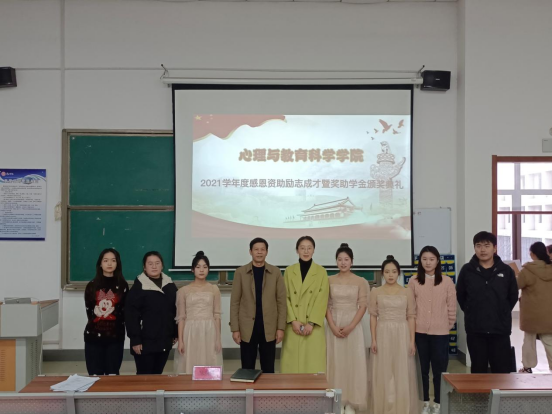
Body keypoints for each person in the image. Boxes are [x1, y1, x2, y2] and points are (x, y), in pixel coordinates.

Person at [456, 231, 518, 373]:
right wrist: (471, 310)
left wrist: (502, 311)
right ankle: (480, 390)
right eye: (478, 246)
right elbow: (461, 295)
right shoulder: (467, 270)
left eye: (486, 245)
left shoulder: (506, 270)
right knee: (478, 370)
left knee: (501, 371)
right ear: (474, 248)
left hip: (500, 330)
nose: (482, 250)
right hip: (475, 330)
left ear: (494, 248)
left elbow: (513, 296)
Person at [408, 246, 456, 414]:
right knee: (421, 370)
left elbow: (451, 307)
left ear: (437, 261)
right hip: (419, 332)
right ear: (420, 261)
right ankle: (424, 402)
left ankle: (438, 402)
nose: (428, 262)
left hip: (440, 333)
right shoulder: (414, 281)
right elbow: (410, 308)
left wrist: (445, 325)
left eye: (431, 259)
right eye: (424, 259)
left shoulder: (447, 281)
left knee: (439, 370)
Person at [370, 255, 420, 414]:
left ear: (398, 273)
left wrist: (412, 341)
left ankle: (401, 407)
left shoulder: (407, 292)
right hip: (383, 332)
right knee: (384, 370)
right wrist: (373, 339)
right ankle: (386, 406)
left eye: (393, 271)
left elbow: (411, 316)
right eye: (387, 272)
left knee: (401, 369)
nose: (390, 275)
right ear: (382, 273)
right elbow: (373, 316)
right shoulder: (375, 291)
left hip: (402, 332)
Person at [230, 238, 286, 373]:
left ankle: (267, 388)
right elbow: (235, 302)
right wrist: (235, 329)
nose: (259, 252)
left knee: (268, 369)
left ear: (267, 252)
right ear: (250, 252)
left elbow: (281, 302)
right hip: (247, 328)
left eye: (262, 249)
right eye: (256, 249)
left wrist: (280, 328)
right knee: (247, 369)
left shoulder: (275, 272)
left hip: (269, 327)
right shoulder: (240, 272)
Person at [325, 243, 369, 414]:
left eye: (346, 259)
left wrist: (351, 326)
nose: (343, 262)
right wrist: (332, 326)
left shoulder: (360, 281)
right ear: (336, 261)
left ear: (352, 261)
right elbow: (326, 305)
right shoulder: (329, 280)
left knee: (353, 362)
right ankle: (337, 400)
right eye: (340, 259)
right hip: (334, 324)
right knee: (336, 361)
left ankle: (351, 401)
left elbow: (363, 306)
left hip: (353, 325)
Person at [280, 236, 329, 373]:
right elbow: (285, 297)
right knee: (291, 366)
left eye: (309, 248)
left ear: (314, 250)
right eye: (302, 248)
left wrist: (311, 323)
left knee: (312, 365)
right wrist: (293, 320)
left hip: (313, 327)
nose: (306, 251)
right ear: (297, 250)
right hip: (293, 325)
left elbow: (322, 299)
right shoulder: (289, 271)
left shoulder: (321, 272)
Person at [126, 251, 178, 375]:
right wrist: (135, 340)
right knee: (144, 377)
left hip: (164, 340)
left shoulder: (170, 285)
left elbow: (175, 310)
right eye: (150, 264)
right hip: (144, 343)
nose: (154, 266)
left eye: (157, 263)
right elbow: (131, 316)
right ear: (144, 267)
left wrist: (175, 332)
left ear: (162, 265)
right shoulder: (138, 288)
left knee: (158, 375)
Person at [174, 251, 222, 374]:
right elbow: (181, 318)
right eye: (198, 267)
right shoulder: (183, 291)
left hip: (209, 330)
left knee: (209, 361)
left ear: (208, 269)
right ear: (192, 269)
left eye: (205, 267)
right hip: (190, 331)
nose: (201, 270)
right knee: (190, 362)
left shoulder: (214, 289)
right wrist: (181, 340)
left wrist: (218, 339)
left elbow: (217, 315)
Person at [84, 248, 129, 375]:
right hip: (94, 337)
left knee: (112, 374)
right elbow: (90, 312)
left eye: (113, 260)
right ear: (100, 263)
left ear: (117, 263)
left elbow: (124, 312)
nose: (109, 264)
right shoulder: (92, 286)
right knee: (95, 375)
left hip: (115, 337)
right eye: (106, 260)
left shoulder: (123, 285)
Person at [517, 242, 552, 373]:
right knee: (549, 340)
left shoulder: (527, 271)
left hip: (531, 314)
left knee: (529, 341)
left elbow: (516, 285)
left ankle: (527, 367)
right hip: (549, 313)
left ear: (532, 254)